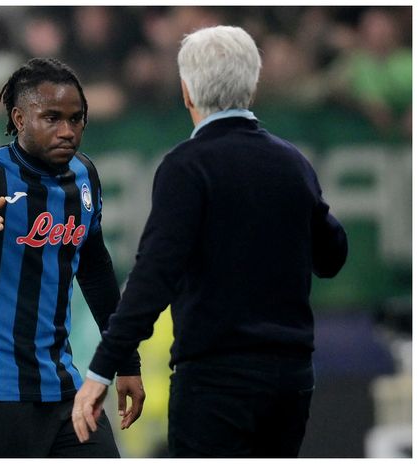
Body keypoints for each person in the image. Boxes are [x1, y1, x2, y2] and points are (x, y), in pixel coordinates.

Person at [72, 25, 348, 457]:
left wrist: (103, 368)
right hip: (289, 382)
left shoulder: (186, 166)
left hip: (215, 381)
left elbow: (153, 276)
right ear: (252, 87)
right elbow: (332, 256)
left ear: (187, 92)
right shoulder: (292, 162)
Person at [0, 57, 144, 458]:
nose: (67, 131)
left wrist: (127, 362)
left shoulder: (85, 176)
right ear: (19, 119)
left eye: (76, 119)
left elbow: (96, 272)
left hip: (62, 386)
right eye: (52, 118)